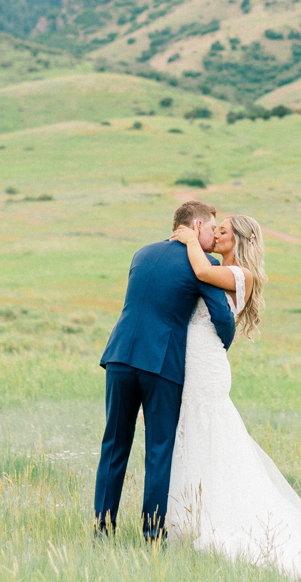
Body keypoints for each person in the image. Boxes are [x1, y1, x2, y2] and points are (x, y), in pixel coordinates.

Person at [166, 213, 301, 578]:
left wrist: (190, 237)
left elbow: (201, 273)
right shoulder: (218, 265)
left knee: (207, 431)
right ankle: (187, 517)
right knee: (191, 435)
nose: (217, 234)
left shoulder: (241, 274)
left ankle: (211, 519)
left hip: (207, 366)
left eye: (223, 231)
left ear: (239, 240)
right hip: (190, 360)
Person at [95, 199, 236, 541]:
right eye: (211, 228)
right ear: (197, 226)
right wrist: (221, 348)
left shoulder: (141, 253)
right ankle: (152, 534)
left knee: (114, 444)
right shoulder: (201, 264)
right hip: (161, 365)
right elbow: (222, 318)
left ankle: (102, 529)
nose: (214, 238)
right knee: (159, 451)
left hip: (119, 357)